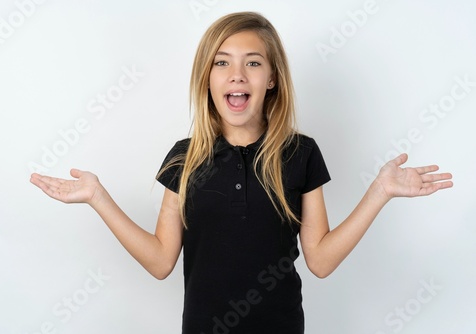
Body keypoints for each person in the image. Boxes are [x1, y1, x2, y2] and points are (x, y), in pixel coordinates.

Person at [30, 11, 453, 334]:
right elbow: (161, 260)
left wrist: (379, 191)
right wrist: (98, 198)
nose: (236, 74)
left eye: (252, 63)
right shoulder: (184, 158)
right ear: (207, 78)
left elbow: (321, 260)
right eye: (222, 63)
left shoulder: (300, 153)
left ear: (271, 79)